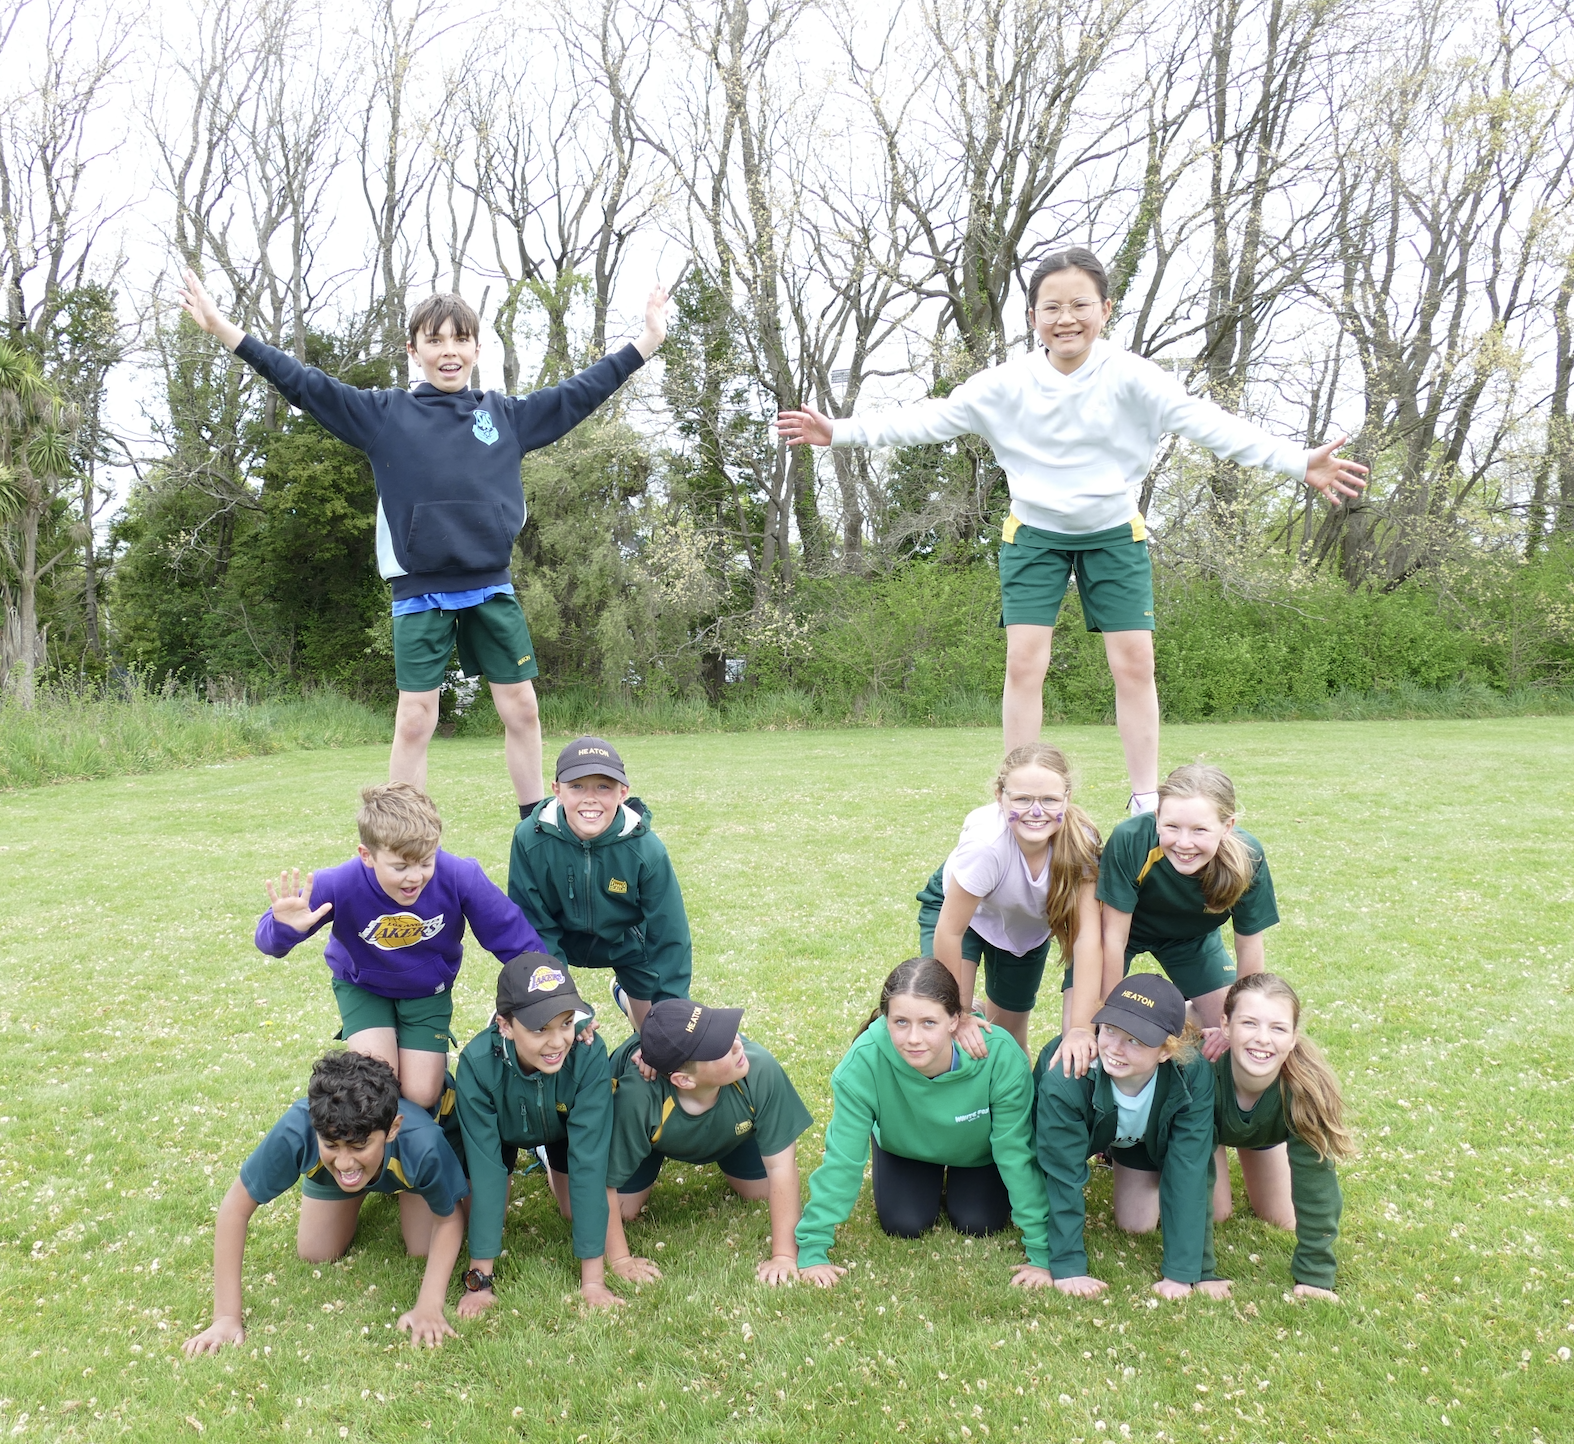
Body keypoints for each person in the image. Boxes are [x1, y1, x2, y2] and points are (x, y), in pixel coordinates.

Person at [775, 247, 1367, 813]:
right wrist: (840, 432)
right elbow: (929, 419)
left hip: (1114, 532)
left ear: (1105, 310)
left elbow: (1208, 424)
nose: (1067, 319)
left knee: (1134, 664)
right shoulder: (1004, 385)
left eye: (1081, 304)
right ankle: (1018, 793)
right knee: (1024, 663)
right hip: (1035, 534)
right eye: (1052, 307)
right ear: (1032, 316)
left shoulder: (1135, 378)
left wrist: (1297, 461)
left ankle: (1144, 798)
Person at [176, 267, 667, 816]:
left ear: (477, 348)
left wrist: (647, 340)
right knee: (415, 719)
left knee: (523, 709)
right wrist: (222, 328)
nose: (448, 351)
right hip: (419, 592)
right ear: (414, 350)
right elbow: (302, 382)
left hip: (490, 587)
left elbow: (583, 391)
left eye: (460, 339)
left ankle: (534, 827)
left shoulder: (505, 416)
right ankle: (404, 839)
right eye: (435, 340)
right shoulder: (384, 415)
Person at [255, 781, 545, 1109]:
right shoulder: (337, 883)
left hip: (426, 990)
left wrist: (554, 995)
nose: (415, 876)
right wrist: (284, 928)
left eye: (426, 861)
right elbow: (268, 942)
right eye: (401, 866)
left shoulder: (459, 875)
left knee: (422, 1095)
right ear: (367, 855)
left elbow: (514, 938)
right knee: (378, 1085)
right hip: (363, 988)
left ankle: (440, 1097)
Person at [181, 1050, 469, 1356]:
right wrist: (225, 1317)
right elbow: (235, 1207)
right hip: (359, 1163)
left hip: (411, 1150)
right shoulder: (298, 1128)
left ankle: (406, 1184)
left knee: (423, 1248)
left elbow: (449, 1220)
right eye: (331, 1144)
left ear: (392, 1129)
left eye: (358, 1145)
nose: (344, 1162)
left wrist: (429, 1305)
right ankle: (364, 1177)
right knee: (316, 1251)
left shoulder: (423, 1142)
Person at [794, 957, 1054, 1291]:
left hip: (977, 1153)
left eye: (929, 1022)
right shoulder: (865, 1060)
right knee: (905, 1223)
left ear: (955, 1019)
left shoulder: (1000, 1057)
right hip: (907, 1148)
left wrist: (1042, 1253)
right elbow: (842, 1159)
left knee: (979, 1222)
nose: (913, 1038)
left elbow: (1016, 1153)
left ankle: (961, 1184)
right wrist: (813, 1247)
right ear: (886, 1019)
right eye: (900, 1022)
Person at [452, 954, 655, 1312]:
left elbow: (590, 1164)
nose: (558, 1041)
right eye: (539, 1029)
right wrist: (479, 1283)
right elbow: (486, 1172)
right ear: (504, 1026)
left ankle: (546, 1155)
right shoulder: (476, 1066)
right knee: (481, 1214)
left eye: (566, 1023)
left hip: (562, 1129)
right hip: (503, 1133)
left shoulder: (588, 1053)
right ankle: (532, 1149)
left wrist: (593, 1283)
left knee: (576, 1211)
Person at [1034, 973, 1224, 1300]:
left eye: (1135, 1040)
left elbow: (1190, 1167)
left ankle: (1118, 1152)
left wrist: (1186, 1273)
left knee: (1137, 1224)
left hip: (1137, 1136)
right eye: (1109, 1029)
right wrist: (1067, 1267)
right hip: (1078, 1127)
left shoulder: (1193, 1074)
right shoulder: (1066, 1076)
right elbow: (1061, 1173)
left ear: (1166, 1050)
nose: (1115, 1049)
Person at [917, 742, 1104, 1066]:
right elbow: (950, 931)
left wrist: (1080, 1028)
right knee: (946, 1024)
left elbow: (1087, 938)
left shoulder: (1080, 844)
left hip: (1023, 929)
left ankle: (1013, 1097)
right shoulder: (986, 846)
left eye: (1049, 800)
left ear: (1067, 798)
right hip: (963, 917)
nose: (1036, 812)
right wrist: (958, 1012)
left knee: (1008, 1038)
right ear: (999, 796)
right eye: (1022, 799)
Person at [602, 999, 812, 1285]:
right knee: (623, 1210)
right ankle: (546, 1154)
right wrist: (620, 1260)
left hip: (732, 1130)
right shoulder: (637, 1097)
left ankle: (632, 1004)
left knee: (762, 1193)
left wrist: (784, 1255)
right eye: (718, 1048)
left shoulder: (757, 1066)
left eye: (726, 1032)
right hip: (650, 1132)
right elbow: (603, 1183)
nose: (736, 1044)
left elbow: (782, 1166)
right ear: (684, 1080)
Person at [509, 737, 691, 1033]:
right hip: (559, 940)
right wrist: (563, 1003)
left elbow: (670, 935)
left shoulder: (647, 849)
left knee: (656, 1036)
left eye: (604, 787)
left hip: (628, 945)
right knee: (556, 1031)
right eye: (577, 786)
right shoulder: (529, 838)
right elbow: (533, 924)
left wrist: (673, 1012)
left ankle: (627, 996)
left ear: (623, 792)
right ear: (557, 790)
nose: (590, 798)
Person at [1097, 762, 1276, 1050]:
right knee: (1087, 1025)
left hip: (1191, 939)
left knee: (1232, 1033)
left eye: (1199, 830)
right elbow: (1114, 939)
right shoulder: (1131, 839)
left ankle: (1179, 1018)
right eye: (1172, 827)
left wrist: (1239, 1020)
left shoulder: (1248, 857)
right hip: (1123, 934)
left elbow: (1249, 946)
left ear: (1227, 827)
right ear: (1157, 818)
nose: (1184, 843)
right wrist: (1109, 1015)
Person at [1204, 972, 1352, 1301]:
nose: (1263, 1039)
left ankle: (1251, 1139)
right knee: (1214, 1212)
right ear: (1225, 1026)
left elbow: (1317, 1186)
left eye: (1278, 1028)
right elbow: (1191, 1174)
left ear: (1294, 1037)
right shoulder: (1203, 1071)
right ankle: (1190, 1013)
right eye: (1249, 1023)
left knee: (1283, 1218)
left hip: (1261, 1130)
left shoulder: (1303, 1089)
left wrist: (1315, 1277)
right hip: (1206, 1128)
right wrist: (1199, 1271)